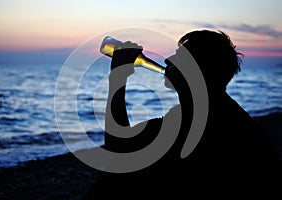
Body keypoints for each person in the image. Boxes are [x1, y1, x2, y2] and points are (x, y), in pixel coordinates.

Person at [85, 30, 279, 199]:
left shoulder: (204, 118)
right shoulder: (214, 108)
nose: (168, 60)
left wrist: (118, 76)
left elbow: (118, 147)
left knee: (116, 178)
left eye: (180, 57)